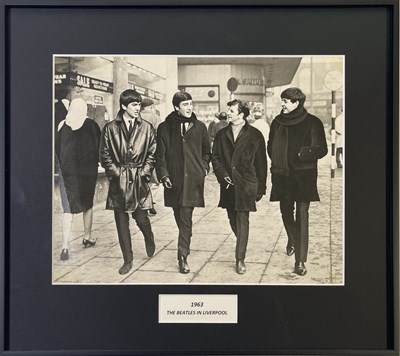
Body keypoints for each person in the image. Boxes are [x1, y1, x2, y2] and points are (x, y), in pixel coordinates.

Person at [267, 87, 328, 276]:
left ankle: (300, 260)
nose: (282, 104)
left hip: (303, 177)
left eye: (285, 101)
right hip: (282, 176)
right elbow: (270, 145)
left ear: (296, 103)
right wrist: (278, 159)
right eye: (282, 100)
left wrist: (302, 154)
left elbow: (322, 149)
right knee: (285, 211)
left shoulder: (313, 122)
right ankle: (293, 239)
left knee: (302, 216)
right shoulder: (277, 122)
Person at [100, 89, 156, 275]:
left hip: (139, 180)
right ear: (124, 106)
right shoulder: (110, 128)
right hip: (119, 182)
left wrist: (144, 173)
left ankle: (149, 237)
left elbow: (152, 153)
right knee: (121, 222)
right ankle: (128, 259)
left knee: (141, 218)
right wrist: (116, 174)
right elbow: (105, 154)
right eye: (134, 104)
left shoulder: (147, 127)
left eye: (139, 104)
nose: (137, 108)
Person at [156, 91, 211, 274]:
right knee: (178, 214)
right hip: (173, 179)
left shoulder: (200, 126)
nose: (189, 108)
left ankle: (182, 256)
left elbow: (206, 151)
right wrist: (164, 175)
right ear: (176, 107)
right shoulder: (165, 127)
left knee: (186, 215)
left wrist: (204, 167)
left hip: (193, 179)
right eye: (185, 105)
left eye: (190, 104)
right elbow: (160, 155)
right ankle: (186, 237)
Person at [212, 99, 267, 274]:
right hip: (228, 184)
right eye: (228, 110)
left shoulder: (255, 135)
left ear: (241, 114)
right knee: (231, 217)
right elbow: (215, 158)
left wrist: (261, 187)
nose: (228, 113)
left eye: (232, 111)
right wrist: (223, 175)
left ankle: (239, 258)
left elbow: (261, 163)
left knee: (243, 219)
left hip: (247, 183)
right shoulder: (221, 134)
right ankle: (241, 242)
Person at [55, 97, 101, 261]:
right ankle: (87, 237)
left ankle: (65, 246)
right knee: (87, 204)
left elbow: (56, 149)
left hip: (67, 174)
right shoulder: (92, 125)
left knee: (68, 210)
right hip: (87, 172)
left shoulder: (62, 125)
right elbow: (99, 148)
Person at [140, 97, 162, 215]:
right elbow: (161, 133)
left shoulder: (135, 116)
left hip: (137, 153)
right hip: (151, 152)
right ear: (150, 106)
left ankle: (142, 202)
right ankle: (149, 202)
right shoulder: (155, 117)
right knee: (154, 181)